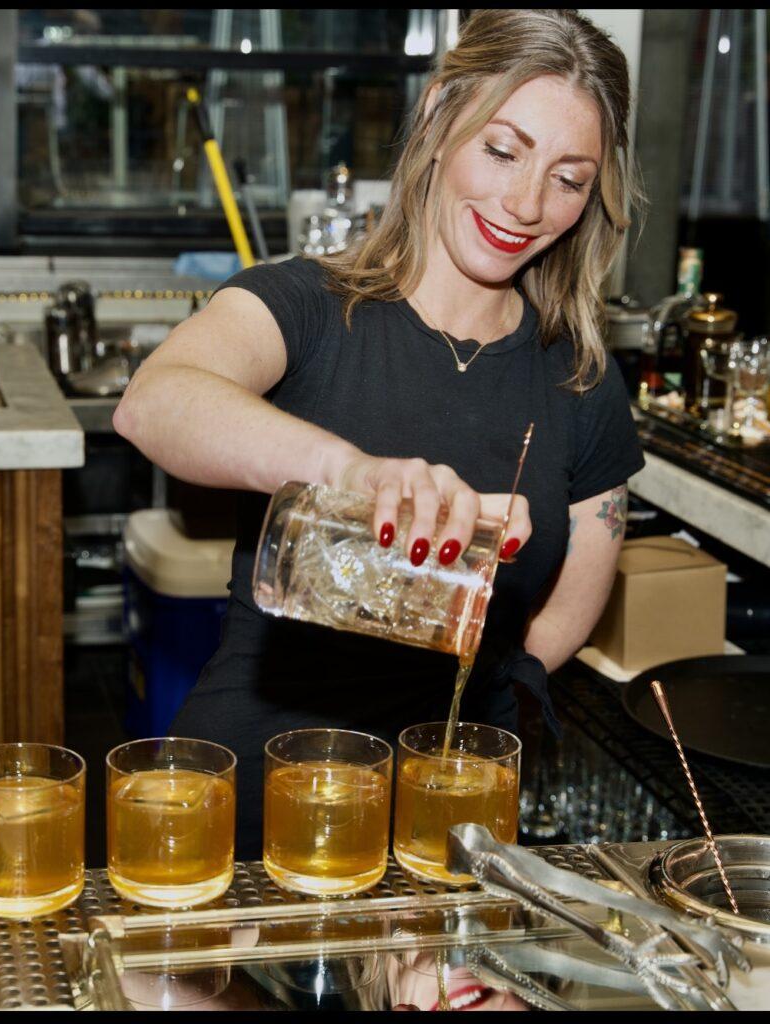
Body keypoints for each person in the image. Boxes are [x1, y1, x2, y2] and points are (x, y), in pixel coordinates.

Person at [113, 9, 645, 859]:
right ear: (438, 119)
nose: (524, 203)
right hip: (262, 790)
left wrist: (509, 691)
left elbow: (582, 577)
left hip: (452, 810)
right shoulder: (305, 305)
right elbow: (155, 402)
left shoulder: (579, 375)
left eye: (568, 178)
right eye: (502, 150)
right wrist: (353, 474)